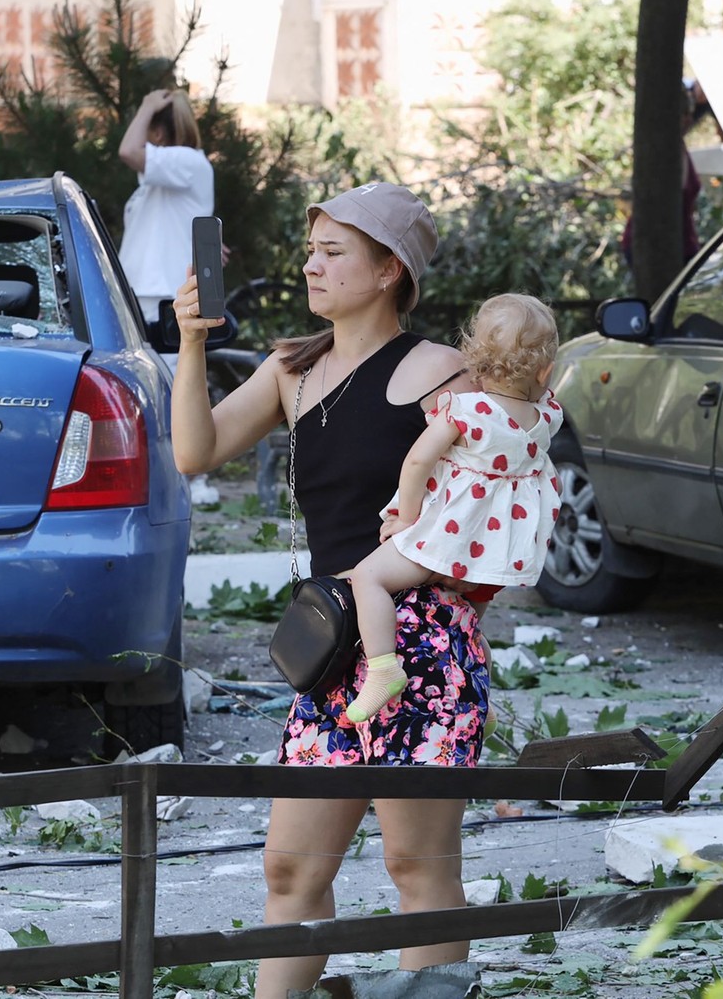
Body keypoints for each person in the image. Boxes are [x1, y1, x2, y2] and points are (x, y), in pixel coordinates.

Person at [169, 181, 487, 999]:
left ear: (388, 271)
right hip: (334, 644)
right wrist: (192, 342)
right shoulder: (293, 369)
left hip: (421, 645)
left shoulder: (441, 372)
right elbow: (195, 452)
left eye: (332, 251)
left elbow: (493, 500)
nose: (312, 264)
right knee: (289, 867)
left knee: (415, 864)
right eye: (311, 249)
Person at [344, 294, 562, 723]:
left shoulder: (466, 410)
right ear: (545, 371)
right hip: (492, 556)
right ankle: (481, 696)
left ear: (475, 362)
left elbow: (417, 461)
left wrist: (406, 519)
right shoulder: (546, 418)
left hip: (446, 539)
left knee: (367, 577)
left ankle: (384, 669)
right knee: (470, 626)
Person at [116, 88, 215, 317]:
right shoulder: (165, 177)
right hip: (145, 295)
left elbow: (129, 150)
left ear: (158, 134)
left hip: (163, 297)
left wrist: (147, 106)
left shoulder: (188, 161)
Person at [620, 81, 702, 267]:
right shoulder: (661, 153)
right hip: (660, 249)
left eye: (689, 113)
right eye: (682, 115)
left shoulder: (679, 147)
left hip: (683, 245)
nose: (688, 120)